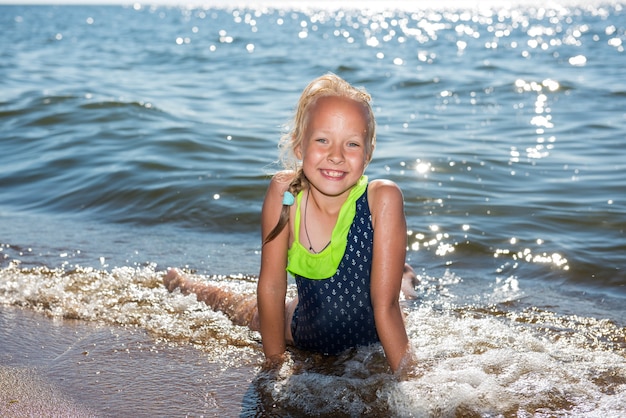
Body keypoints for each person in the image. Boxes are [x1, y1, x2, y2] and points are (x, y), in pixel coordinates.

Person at [164, 73, 418, 374]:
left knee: (402, 296)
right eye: (322, 140)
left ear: (368, 153)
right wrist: (273, 364)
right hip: (301, 327)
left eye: (351, 144)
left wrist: (410, 381)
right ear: (299, 146)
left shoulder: (382, 198)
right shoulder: (286, 194)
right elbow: (271, 285)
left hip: (374, 325)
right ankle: (184, 283)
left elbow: (385, 307)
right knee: (235, 306)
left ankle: (403, 275)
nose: (336, 156)